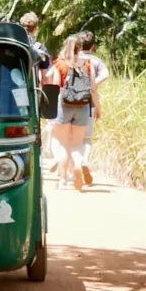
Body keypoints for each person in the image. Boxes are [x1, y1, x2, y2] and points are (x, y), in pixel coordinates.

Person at [51, 34, 98, 191]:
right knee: (77, 144)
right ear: (80, 47)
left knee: (64, 144)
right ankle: (78, 165)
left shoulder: (60, 64)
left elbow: (55, 87)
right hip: (83, 106)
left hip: (64, 105)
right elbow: (92, 88)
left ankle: (63, 180)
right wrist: (97, 107)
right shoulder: (87, 64)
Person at [20, 12, 60, 168]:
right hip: (32, 91)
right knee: (34, 124)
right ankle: (35, 160)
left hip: (12, 92)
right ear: (35, 28)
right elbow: (44, 77)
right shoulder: (40, 48)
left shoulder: (14, 45)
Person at [76, 30, 109, 186]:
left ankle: (72, 167)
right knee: (87, 139)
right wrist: (93, 84)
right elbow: (106, 74)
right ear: (93, 46)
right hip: (87, 103)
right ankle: (84, 161)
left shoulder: (71, 59)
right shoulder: (95, 61)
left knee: (72, 139)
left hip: (68, 103)